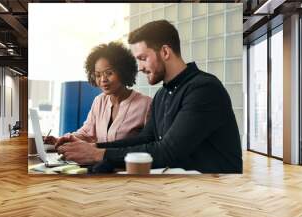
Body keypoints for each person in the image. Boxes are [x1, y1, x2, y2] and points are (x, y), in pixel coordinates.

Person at [56, 20, 243, 173]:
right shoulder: (162, 95)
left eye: (143, 58)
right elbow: (146, 139)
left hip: (216, 188)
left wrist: (98, 154)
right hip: (180, 184)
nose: (140, 67)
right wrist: (94, 147)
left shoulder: (204, 88)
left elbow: (168, 151)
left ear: (165, 52)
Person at [45, 42, 152, 146]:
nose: (103, 80)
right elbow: (86, 133)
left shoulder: (146, 104)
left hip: (127, 164)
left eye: (109, 73)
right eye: (98, 75)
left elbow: (150, 144)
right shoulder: (99, 101)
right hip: (100, 163)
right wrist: (61, 139)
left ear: (123, 71)